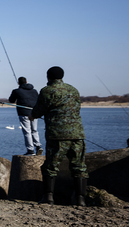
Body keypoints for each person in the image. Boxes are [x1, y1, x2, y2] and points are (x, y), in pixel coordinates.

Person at [31, 66, 87, 206]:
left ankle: (48, 197)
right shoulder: (73, 90)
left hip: (57, 135)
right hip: (77, 134)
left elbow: (38, 110)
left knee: (50, 166)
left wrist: (32, 116)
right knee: (79, 167)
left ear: (48, 76)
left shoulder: (47, 91)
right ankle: (81, 199)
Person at [9, 77, 42, 155]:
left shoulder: (16, 91)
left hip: (23, 113)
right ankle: (38, 146)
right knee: (34, 130)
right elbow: (38, 101)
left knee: (27, 131)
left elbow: (11, 100)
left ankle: (30, 150)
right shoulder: (34, 91)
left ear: (18, 83)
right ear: (26, 82)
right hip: (34, 113)